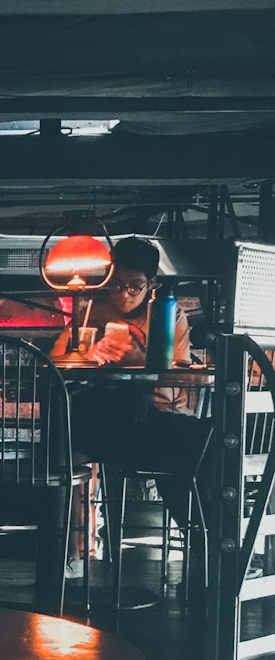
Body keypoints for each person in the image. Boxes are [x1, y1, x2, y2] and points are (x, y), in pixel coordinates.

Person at [50, 237, 208, 556]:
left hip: (156, 415)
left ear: (151, 284)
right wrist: (88, 354)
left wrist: (138, 358)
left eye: (134, 286)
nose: (124, 294)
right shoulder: (91, 307)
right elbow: (55, 359)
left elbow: (173, 374)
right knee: (189, 444)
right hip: (101, 423)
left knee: (197, 444)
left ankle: (203, 540)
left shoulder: (167, 313)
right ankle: (72, 550)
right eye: (117, 285)